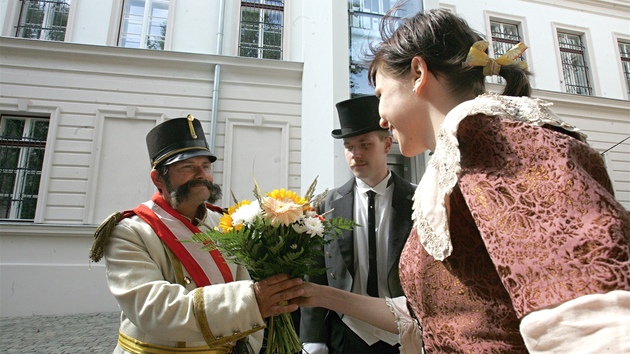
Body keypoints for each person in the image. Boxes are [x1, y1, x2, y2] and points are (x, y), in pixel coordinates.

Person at [295, 8, 630, 354]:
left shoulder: (501, 145)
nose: (380, 118)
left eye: (380, 95)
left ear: (418, 72)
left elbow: (595, 320)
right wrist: (318, 294)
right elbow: (436, 316)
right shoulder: (461, 157)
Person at [89, 115, 303, 354]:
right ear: (158, 178)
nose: (201, 175)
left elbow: (244, 280)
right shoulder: (129, 232)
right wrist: (251, 302)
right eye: (187, 167)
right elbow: (155, 312)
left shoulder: (225, 222)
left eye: (205, 167)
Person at [300, 95, 416, 354]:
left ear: (387, 144)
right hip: (346, 334)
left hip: (404, 333)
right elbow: (315, 271)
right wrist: (312, 338)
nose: (356, 154)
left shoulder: (417, 201)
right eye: (349, 146)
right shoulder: (326, 205)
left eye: (365, 144)